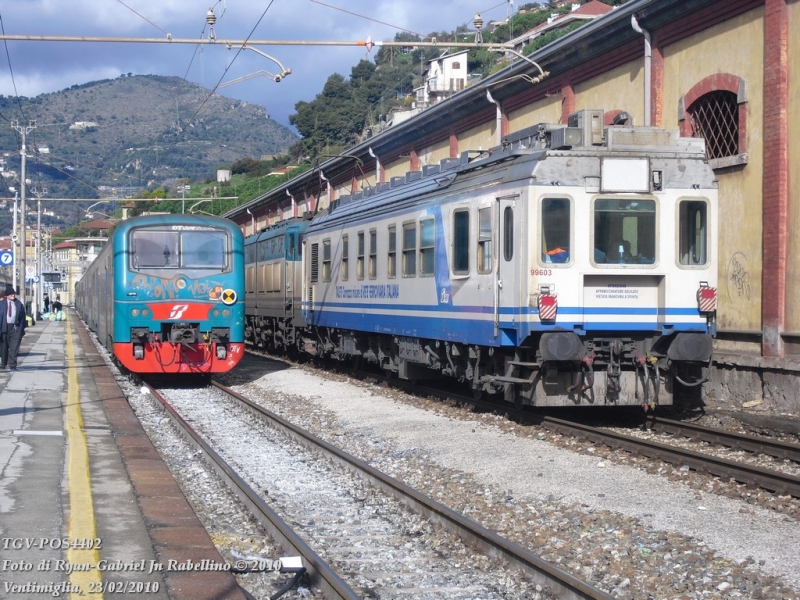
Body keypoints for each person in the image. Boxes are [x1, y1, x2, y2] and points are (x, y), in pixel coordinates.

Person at [0, 285, 26, 370]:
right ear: (7, 295)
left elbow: (22, 317)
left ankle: (12, 365)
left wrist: (21, 329)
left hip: (15, 328)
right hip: (4, 327)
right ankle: (3, 363)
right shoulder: (1, 304)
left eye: (14, 294)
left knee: (14, 348)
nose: (13, 296)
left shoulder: (18, 304)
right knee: (4, 347)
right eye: (11, 295)